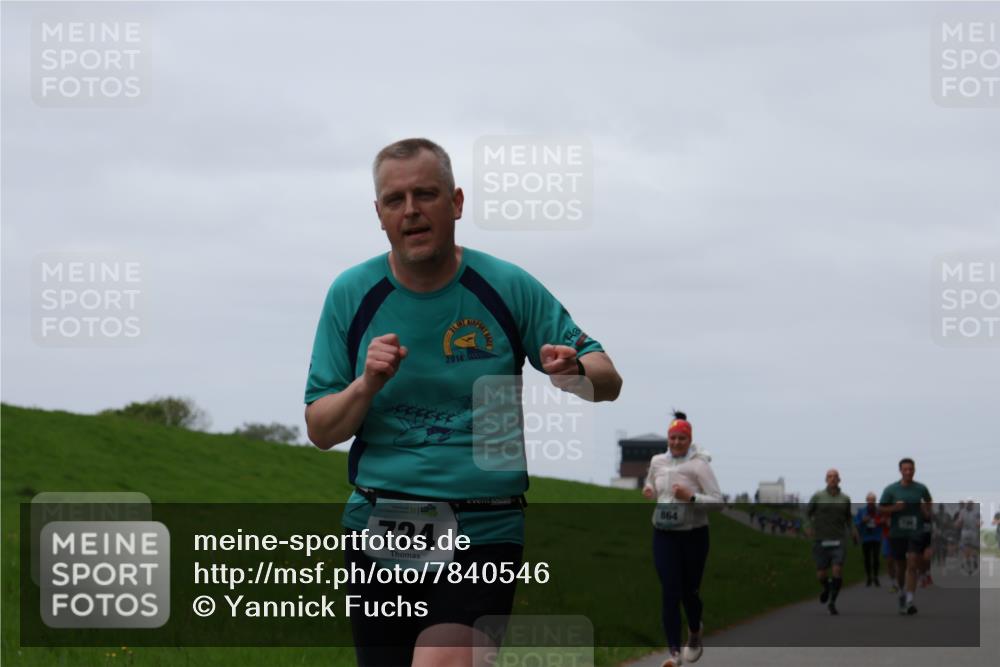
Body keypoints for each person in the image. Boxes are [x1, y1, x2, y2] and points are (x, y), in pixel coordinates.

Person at [303, 138, 623, 667]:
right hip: (379, 522)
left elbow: (608, 379)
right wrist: (365, 385)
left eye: (425, 194)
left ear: (455, 203)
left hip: (483, 526)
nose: (411, 211)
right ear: (379, 214)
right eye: (394, 200)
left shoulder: (504, 286)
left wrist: (574, 374)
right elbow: (320, 429)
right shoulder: (351, 294)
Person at [643, 411, 723, 667]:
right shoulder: (657, 461)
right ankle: (674, 654)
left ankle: (695, 633)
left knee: (690, 593)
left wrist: (690, 497)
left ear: (690, 440)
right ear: (668, 439)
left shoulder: (700, 466)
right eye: (673, 438)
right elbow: (652, 483)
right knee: (670, 591)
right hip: (664, 534)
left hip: (694, 535)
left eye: (682, 438)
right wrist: (649, 489)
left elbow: (718, 502)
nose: (676, 442)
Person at [879, 458, 932, 616]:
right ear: (900, 471)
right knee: (900, 568)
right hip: (897, 533)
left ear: (914, 470)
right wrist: (894, 508)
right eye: (905, 469)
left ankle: (910, 600)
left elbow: (929, 502)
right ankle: (902, 593)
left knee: (912, 563)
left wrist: (926, 511)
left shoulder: (921, 488)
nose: (908, 472)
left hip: (915, 532)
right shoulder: (891, 490)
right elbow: (881, 508)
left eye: (911, 469)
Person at [806, 469, 857, 615]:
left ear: (839, 480)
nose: (833, 479)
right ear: (825, 479)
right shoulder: (818, 496)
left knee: (837, 570)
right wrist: (808, 527)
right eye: (830, 476)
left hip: (839, 539)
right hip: (821, 539)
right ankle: (827, 588)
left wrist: (853, 530)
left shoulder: (845, 499)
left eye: (835, 476)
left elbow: (848, 518)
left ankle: (832, 602)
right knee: (821, 574)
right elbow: (807, 514)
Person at [854, 492, 883, 587]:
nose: (871, 502)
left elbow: (884, 521)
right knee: (867, 558)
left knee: (876, 558)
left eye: (873, 500)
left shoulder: (879, 511)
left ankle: (876, 577)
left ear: (875, 501)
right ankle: (868, 577)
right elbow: (857, 523)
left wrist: (880, 522)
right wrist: (863, 521)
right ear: (866, 501)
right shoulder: (861, 511)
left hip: (876, 537)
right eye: (869, 500)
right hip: (866, 537)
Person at [956, 499, 982, 575]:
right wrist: (957, 524)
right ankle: (970, 565)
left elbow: (978, 523)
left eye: (971, 505)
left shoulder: (976, 512)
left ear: (973, 505)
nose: (969, 506)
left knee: (973, 549)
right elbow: (960, 521)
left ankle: (973, 560)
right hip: (965, 532)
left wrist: (979, 525)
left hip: (974, 532)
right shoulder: (962, 512)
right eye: (968, 505)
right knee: (967, 549)